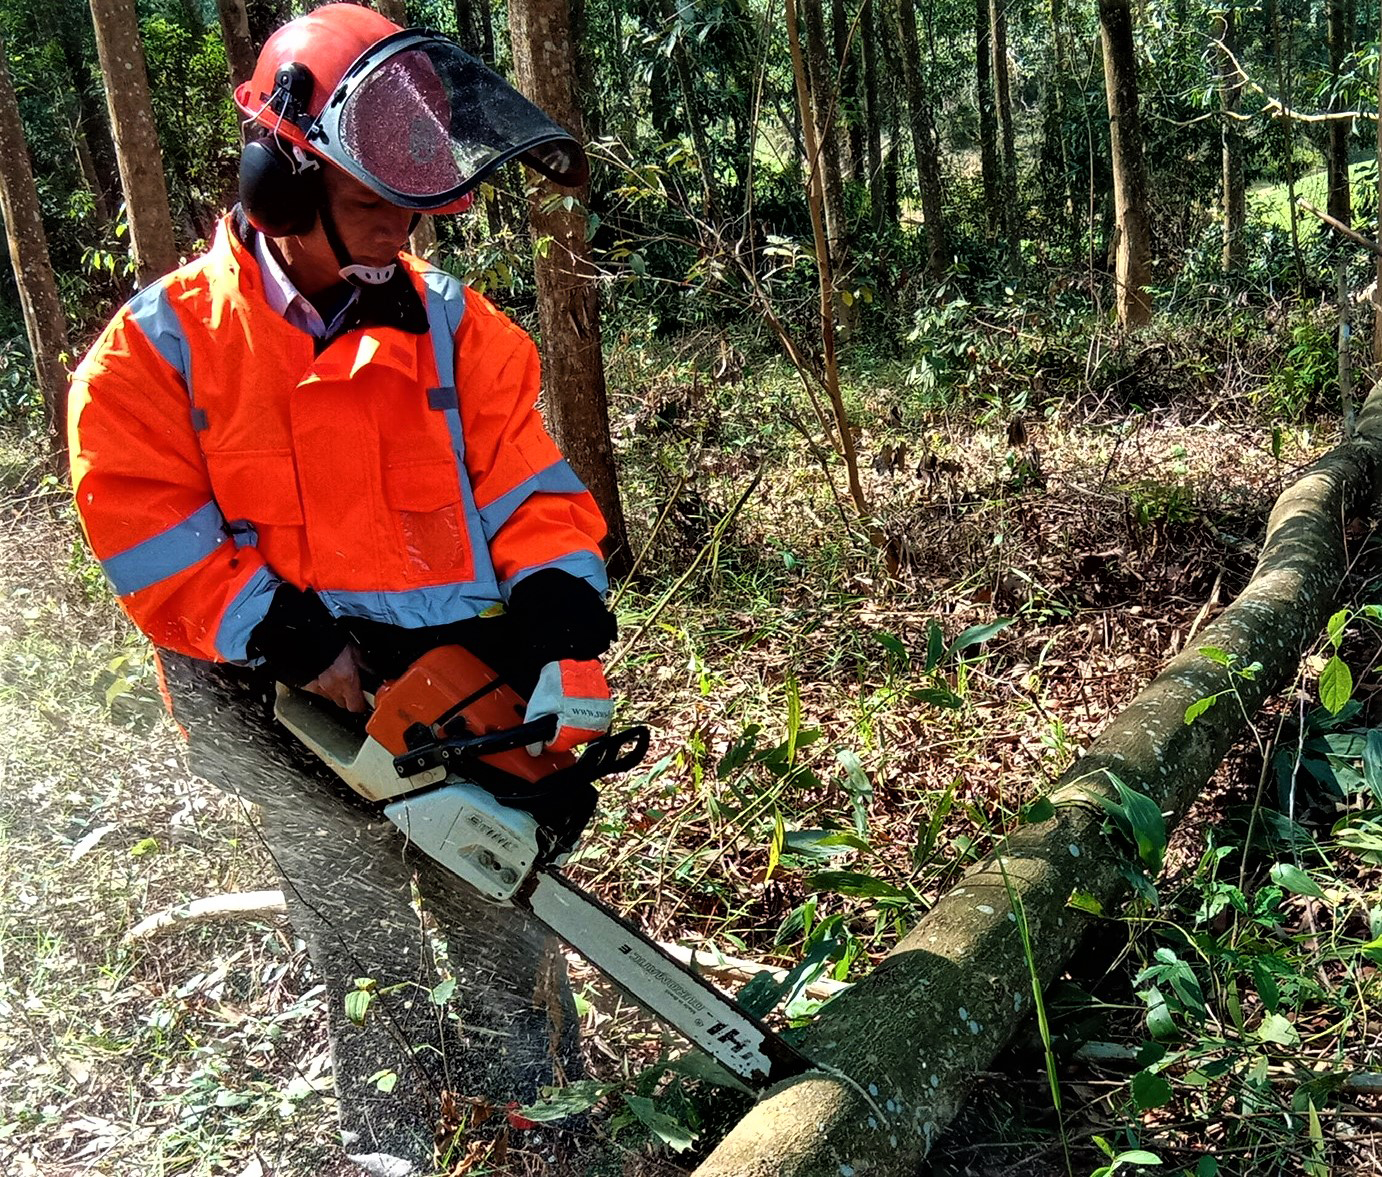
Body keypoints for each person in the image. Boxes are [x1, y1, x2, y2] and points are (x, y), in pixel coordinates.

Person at [67, 6, 617, 1173]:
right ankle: (395, 1146)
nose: (394, 234)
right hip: (286, 710)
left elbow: (532, 491)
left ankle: (549, 1125)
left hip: (459, 698)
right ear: (281, 182)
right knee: (363, 951)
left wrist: (555, 615)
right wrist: (281, 629)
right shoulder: (156, 350)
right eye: (372, 206)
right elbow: (147, 531)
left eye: (410, 210)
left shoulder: (460, 331)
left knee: (503, 921)